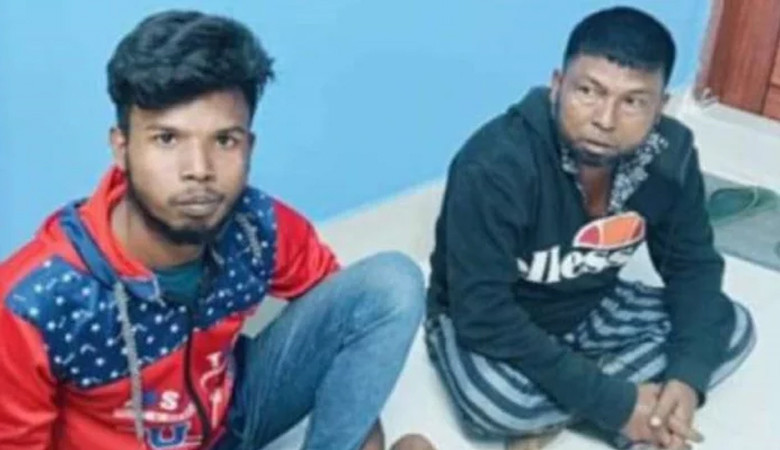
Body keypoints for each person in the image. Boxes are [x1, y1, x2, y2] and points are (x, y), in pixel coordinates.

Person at [0, 10, 429, 450]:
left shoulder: (255, 226)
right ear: (122, 147)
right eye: (167, 139)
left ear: (248, 146)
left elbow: (339, 309)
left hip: (232, 417)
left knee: (390, 285)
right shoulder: (35, 302)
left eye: (224, 140)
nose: (199, 170)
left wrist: (360, 430)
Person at [425, 6, 756, 450]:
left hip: (588, 304)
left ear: (660, 108)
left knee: (731, 326)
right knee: (500, 405)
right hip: (493, 321)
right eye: (588, 91)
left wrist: (686, 379)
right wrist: (614, 403)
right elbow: (482, 313)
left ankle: (580, 402)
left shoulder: (668, 155)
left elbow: (692, 266)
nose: (605, 119)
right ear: (557, 85)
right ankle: (614, 403)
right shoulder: (495, 162)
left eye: (633, 102)